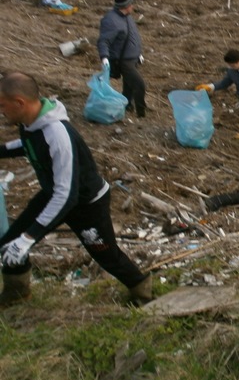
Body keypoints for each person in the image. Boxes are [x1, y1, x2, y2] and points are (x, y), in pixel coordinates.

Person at [0, 72, 151, 307]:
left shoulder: (58, 135)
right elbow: (29, 145)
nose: (1, 111)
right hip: (55, 194)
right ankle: (16, 294)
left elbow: (67, 195)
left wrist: (29, 238)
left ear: (19, 103)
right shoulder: (30, 124)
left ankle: (143, 292)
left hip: (85, 203)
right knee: (9, 243)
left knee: (106, 254)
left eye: (2, 105)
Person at [97, 0, 147, 117]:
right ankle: (141, 114)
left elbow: (132, 36)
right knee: (139, 85)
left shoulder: (127, 16)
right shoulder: (111, 20)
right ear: (125, 6)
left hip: (133, 57)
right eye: (131, 4)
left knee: (128, 85)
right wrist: (104, 57)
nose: (133, 6)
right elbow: (104, 40)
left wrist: (138, 53)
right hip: (124, 61)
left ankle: (127, 105)